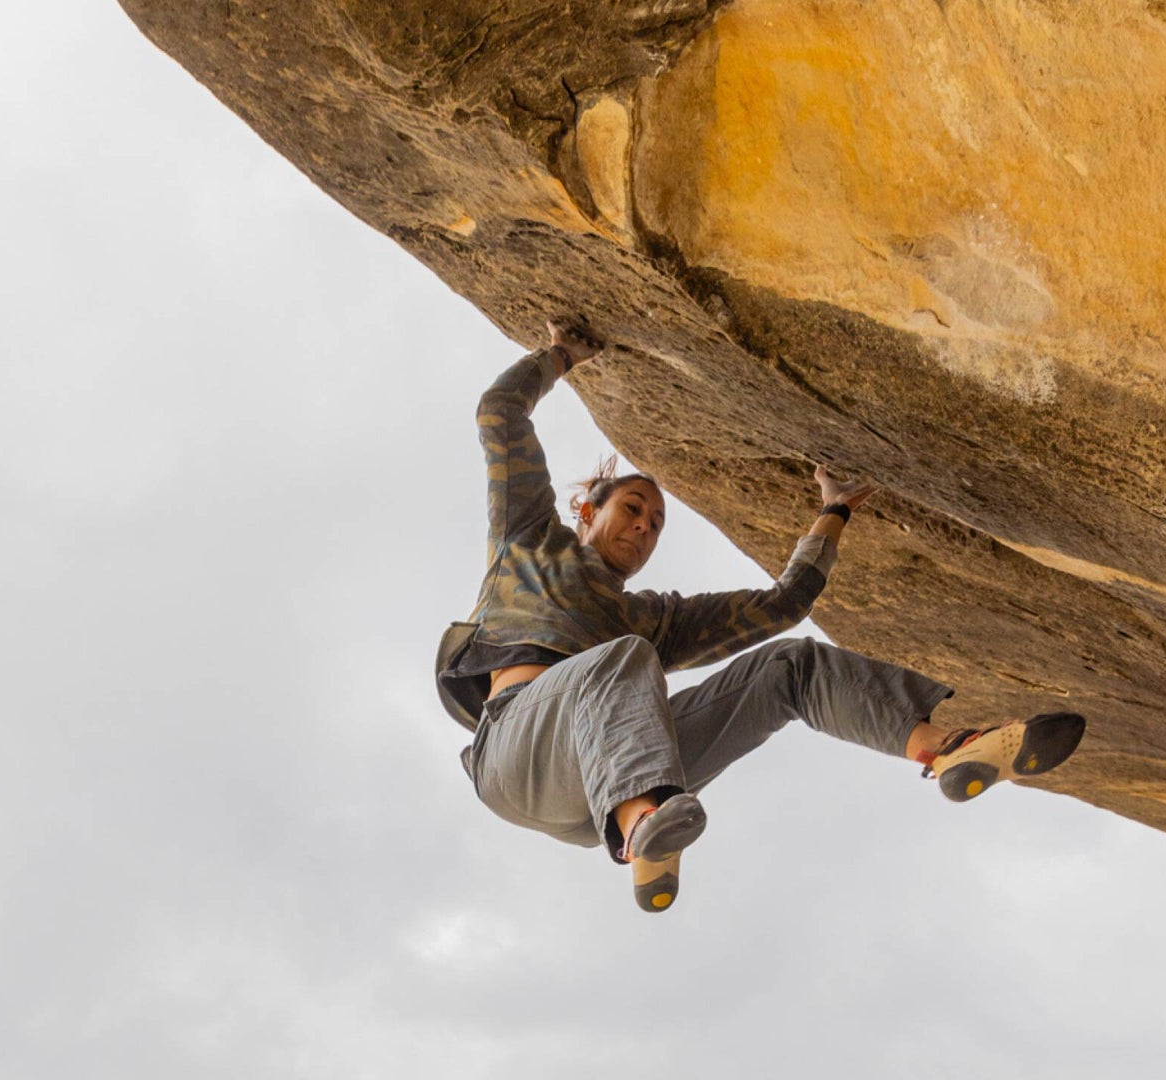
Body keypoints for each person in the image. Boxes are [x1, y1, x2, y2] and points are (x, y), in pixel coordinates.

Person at [434, 319, 1085, 913]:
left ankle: (944, 751)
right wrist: (560, 354)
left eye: (656, 522)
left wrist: (835, 508)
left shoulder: (654, 620)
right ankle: (644, 827)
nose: (643, 525)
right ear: (588, 510)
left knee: (788, 666)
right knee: (622, 661)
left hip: (592, 795)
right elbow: (500, 412)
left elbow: (783, 604)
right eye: (632, 507)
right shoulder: (529, 542)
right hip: (516, 755)